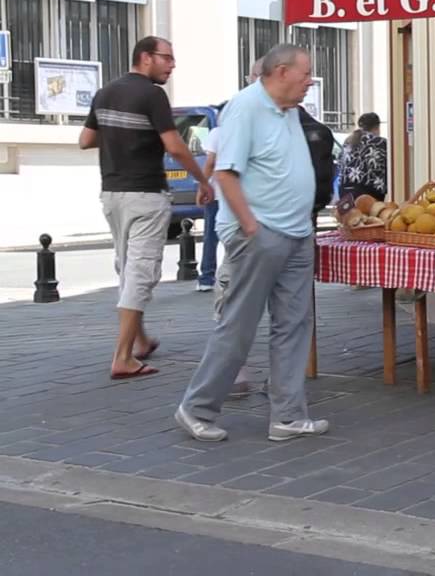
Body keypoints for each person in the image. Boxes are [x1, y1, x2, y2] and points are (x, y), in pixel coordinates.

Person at [175, 44, 328, 443]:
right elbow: (226, 174)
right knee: (239, 325)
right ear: (281, 72)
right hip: (261, 234)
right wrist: (250, 226)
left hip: (297, 233)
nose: (310, 81)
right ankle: (196, 408)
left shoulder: (288, 110)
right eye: (305, 73)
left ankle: (288, 416)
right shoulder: (245, 108)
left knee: (294, 325)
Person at [79, 36, 212, 380]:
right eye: (167, 58)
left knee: (127, 267)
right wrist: (203, 180)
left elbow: (85, 140)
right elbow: (176, 146)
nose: (172, 65)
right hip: (146, 193)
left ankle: (140, 340)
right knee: (142, 272)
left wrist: (119, 138)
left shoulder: (105, 93)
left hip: (112, 193)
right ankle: (123, 357)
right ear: (145, 57)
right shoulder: (152, 95)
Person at [197, 103, 227, 293]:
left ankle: (207, 277)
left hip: (217, 192)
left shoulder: (217, 133)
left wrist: (203, 186)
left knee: (211, 236)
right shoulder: (245, 132)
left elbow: (210, 162)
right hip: (238, 194)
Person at [338, 112, 387, 202]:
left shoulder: (348, 141)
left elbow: (340, 164)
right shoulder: (381, 142)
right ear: (377, 127)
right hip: (371, 191)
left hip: (345, 190)